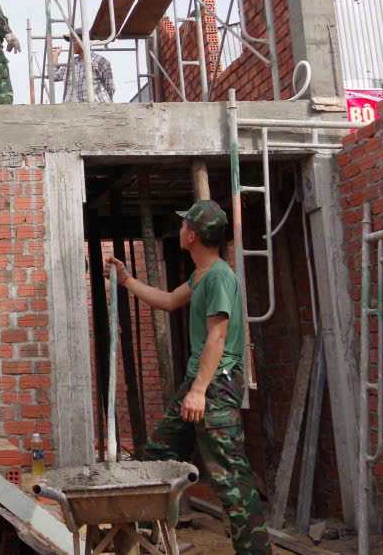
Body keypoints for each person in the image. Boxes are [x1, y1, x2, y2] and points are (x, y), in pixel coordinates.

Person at [105, 201, 271, 555]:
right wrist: (127, 280)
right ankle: (146, 541)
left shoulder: (220, 277)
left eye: (184, 225)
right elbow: (167, 300)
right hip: (199, 382)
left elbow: (217, 336)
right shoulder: (201, 275)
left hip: (215, 385)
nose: (180, 229)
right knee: (157, 457)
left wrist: (198, 391)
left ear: (192, 235)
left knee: (230, 477)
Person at [53, 35, 116, 103]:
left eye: (73, 41)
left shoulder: (100, 61)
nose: (71, 45)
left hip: (96, 105)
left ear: (83, 41)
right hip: (73, 106)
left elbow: (110, 87)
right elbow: (53, 77)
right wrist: (55, 56)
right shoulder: (71, 63)